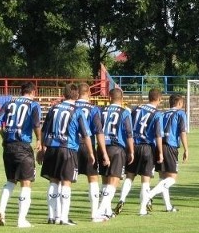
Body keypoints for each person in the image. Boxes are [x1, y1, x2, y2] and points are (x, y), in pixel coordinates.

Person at [39, 83, 95, 225]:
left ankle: (52, 216)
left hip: (52, 147)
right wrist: (90, 152)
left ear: (64, 94)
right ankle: (64, 217)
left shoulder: (54, 108)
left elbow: (44, 130)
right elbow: (86, 135)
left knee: (53, 180)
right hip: (67, 148)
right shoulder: (77, 111)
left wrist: (42, 148)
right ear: (76, 95)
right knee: (66, 181)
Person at [0, 82, 42, 228]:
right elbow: (36, 124)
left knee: (10, 180)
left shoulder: (9, 103)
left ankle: (1, 209)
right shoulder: (33, 105)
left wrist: (4, 137)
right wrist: (39, 139)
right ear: (33, 91)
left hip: (8, 146)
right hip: (23, 145)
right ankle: (21, 220)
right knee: (26, 182)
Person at [114, 88, 164, 216]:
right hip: (147, 147)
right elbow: (158, 135)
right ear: (158, 99)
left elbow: (128, 126)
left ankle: (121, 199)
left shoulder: (136, 109)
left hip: (134, 146)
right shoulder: (157, 114)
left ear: (148, 97)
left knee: (129, 176)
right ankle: (142, 209)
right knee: (145, 179)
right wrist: (160, 152)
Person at [140, 93, 189, 214]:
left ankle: (168, 206)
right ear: (179, 103)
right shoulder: (180, 113)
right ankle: (149, 195)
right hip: (170, 146)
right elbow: (182, 132)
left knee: (163, 178)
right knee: (172, 179)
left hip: (159, 146)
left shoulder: (162, 113)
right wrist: (186, 149)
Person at [93, 87, 134, 221]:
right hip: (117, 148)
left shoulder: (100, 110)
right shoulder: (124, 112)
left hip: (102, 147)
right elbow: (128, 133)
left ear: (109, 98)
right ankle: (99, 211)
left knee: (105, 180)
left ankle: (107, 210)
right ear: (122, 99)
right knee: (114, 181)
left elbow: (97, 129)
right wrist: (131, 151)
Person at [75, 83, 110, 220]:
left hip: (70, 146)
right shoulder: (94, 109)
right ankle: (94, 213)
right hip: (87, 146)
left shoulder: (71, 106)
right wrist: (104, 152)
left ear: (77, 92)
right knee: (93, 178)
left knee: (63, 179)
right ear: (89, 92)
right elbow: (99, 132)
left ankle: (57, 214)